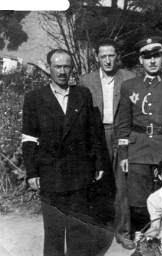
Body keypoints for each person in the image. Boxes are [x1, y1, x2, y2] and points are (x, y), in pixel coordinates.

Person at [22, 49, 108, 255]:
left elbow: (93, 132)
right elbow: (29, 138)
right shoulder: (35, 98)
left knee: (78, 228)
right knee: (54, 230)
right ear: (49, 67)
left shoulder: (82, 95)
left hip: (80, 172)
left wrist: (99, 164)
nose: (62, 71)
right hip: (51, 173)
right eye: (58, 66)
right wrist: (32, 172)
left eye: (66, 67)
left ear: (72, 69)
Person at [117, 36, 162, 239]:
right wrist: (124, 154)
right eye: (146, 57)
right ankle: (144, 243)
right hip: (138, 149)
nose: (152, 61)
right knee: (138, 201)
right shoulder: (129, 86)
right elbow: (124, 123)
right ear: (140, 60)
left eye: (156, 56)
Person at [79, 38, 136, 250]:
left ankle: (123, 232)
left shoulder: (129, 78)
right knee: (97, 184)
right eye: (103, 56)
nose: (108, 60)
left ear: (117, 56)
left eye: (111, 55)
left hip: (121, 133)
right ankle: (98, 231)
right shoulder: (86, 80)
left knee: (122, 185)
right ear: (97, 58)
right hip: (97, 134)